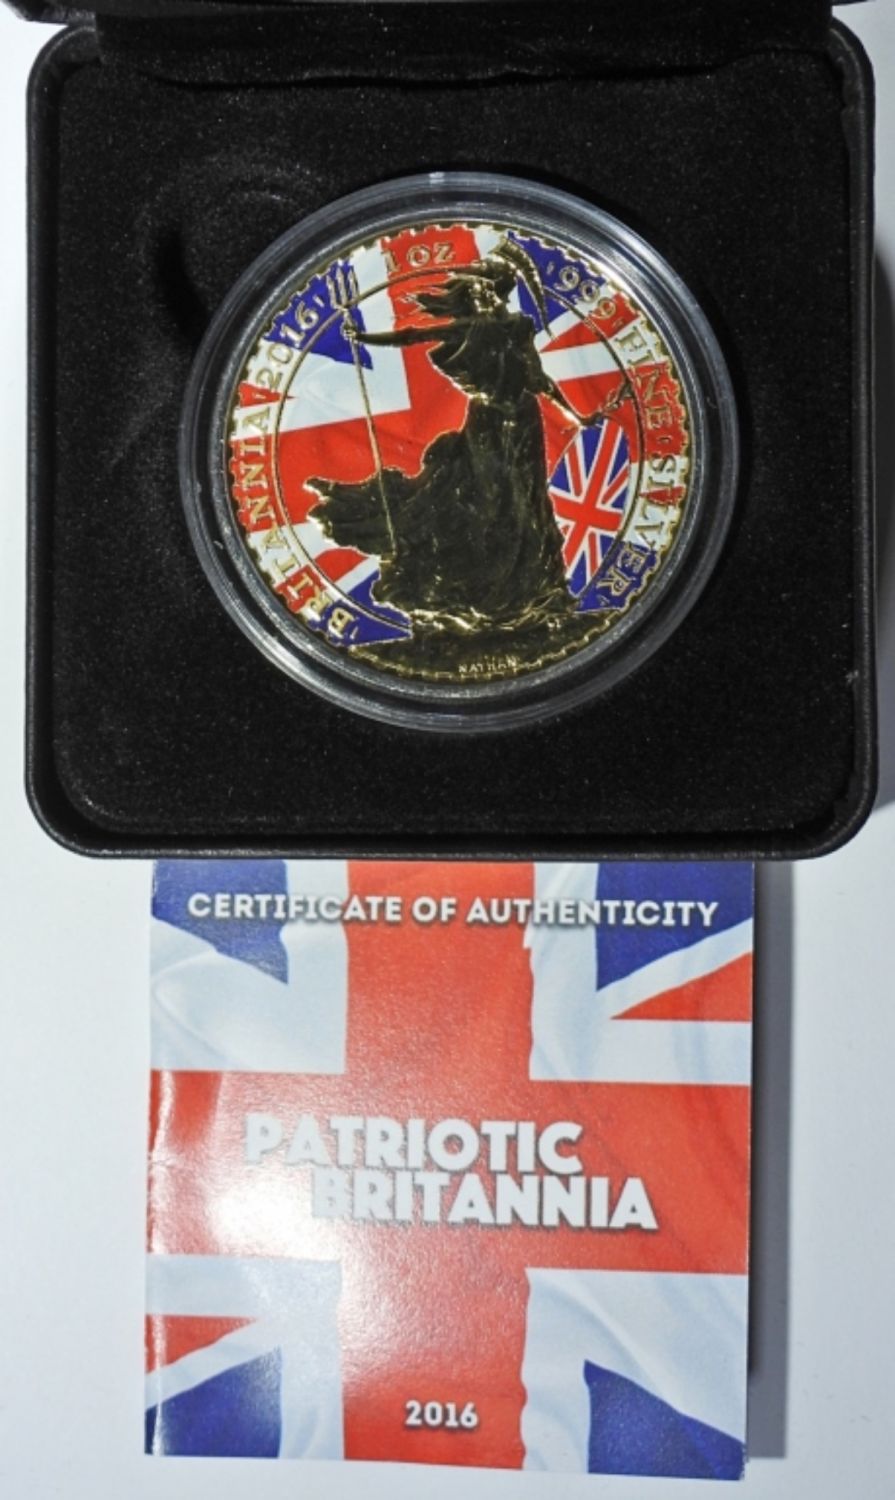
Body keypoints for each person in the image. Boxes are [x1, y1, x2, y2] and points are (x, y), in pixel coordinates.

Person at [308, 241, 625, 636]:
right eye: (475, 289)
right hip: (487, 423)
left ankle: (532, 595)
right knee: (488, 500)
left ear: (498, 291)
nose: (479, 295)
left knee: (526, 503)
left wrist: (576, 415)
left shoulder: (518, 327)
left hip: (523, 422)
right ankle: (483, 591)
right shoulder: (471, 327)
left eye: (485, 288)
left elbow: (538, 378)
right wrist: (362, 337)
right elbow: (412, 336)